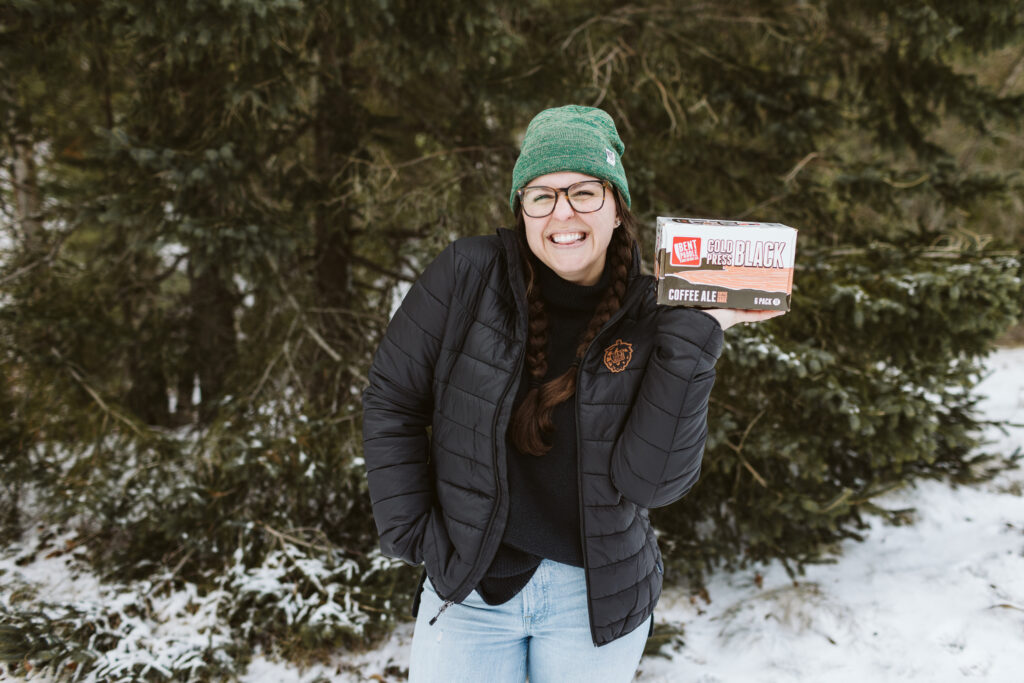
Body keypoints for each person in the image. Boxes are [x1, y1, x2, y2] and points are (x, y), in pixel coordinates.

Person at [362, 105, 783, 682]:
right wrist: (410, 528)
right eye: (542, 196)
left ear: (616, 209)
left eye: (584, 192)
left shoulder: (653, 311)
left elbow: (652, 483)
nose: (563, 213)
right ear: (522, 211)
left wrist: (701, 334)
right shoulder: (467, 275)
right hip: (472, 588)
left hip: (595, 602)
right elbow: (392, 396)